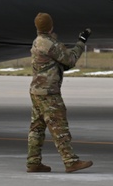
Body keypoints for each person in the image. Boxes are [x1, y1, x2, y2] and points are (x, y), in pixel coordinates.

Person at [26, 12, 93, 174]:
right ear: (50, 26)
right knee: (59, 126)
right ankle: (70, 161)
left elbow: (57, 61)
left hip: (36, 91)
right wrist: (81, 42)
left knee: (37, 127)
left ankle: (33, 162)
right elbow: (69, 59)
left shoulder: (37, 42)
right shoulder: (49, 44)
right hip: (49, 92)